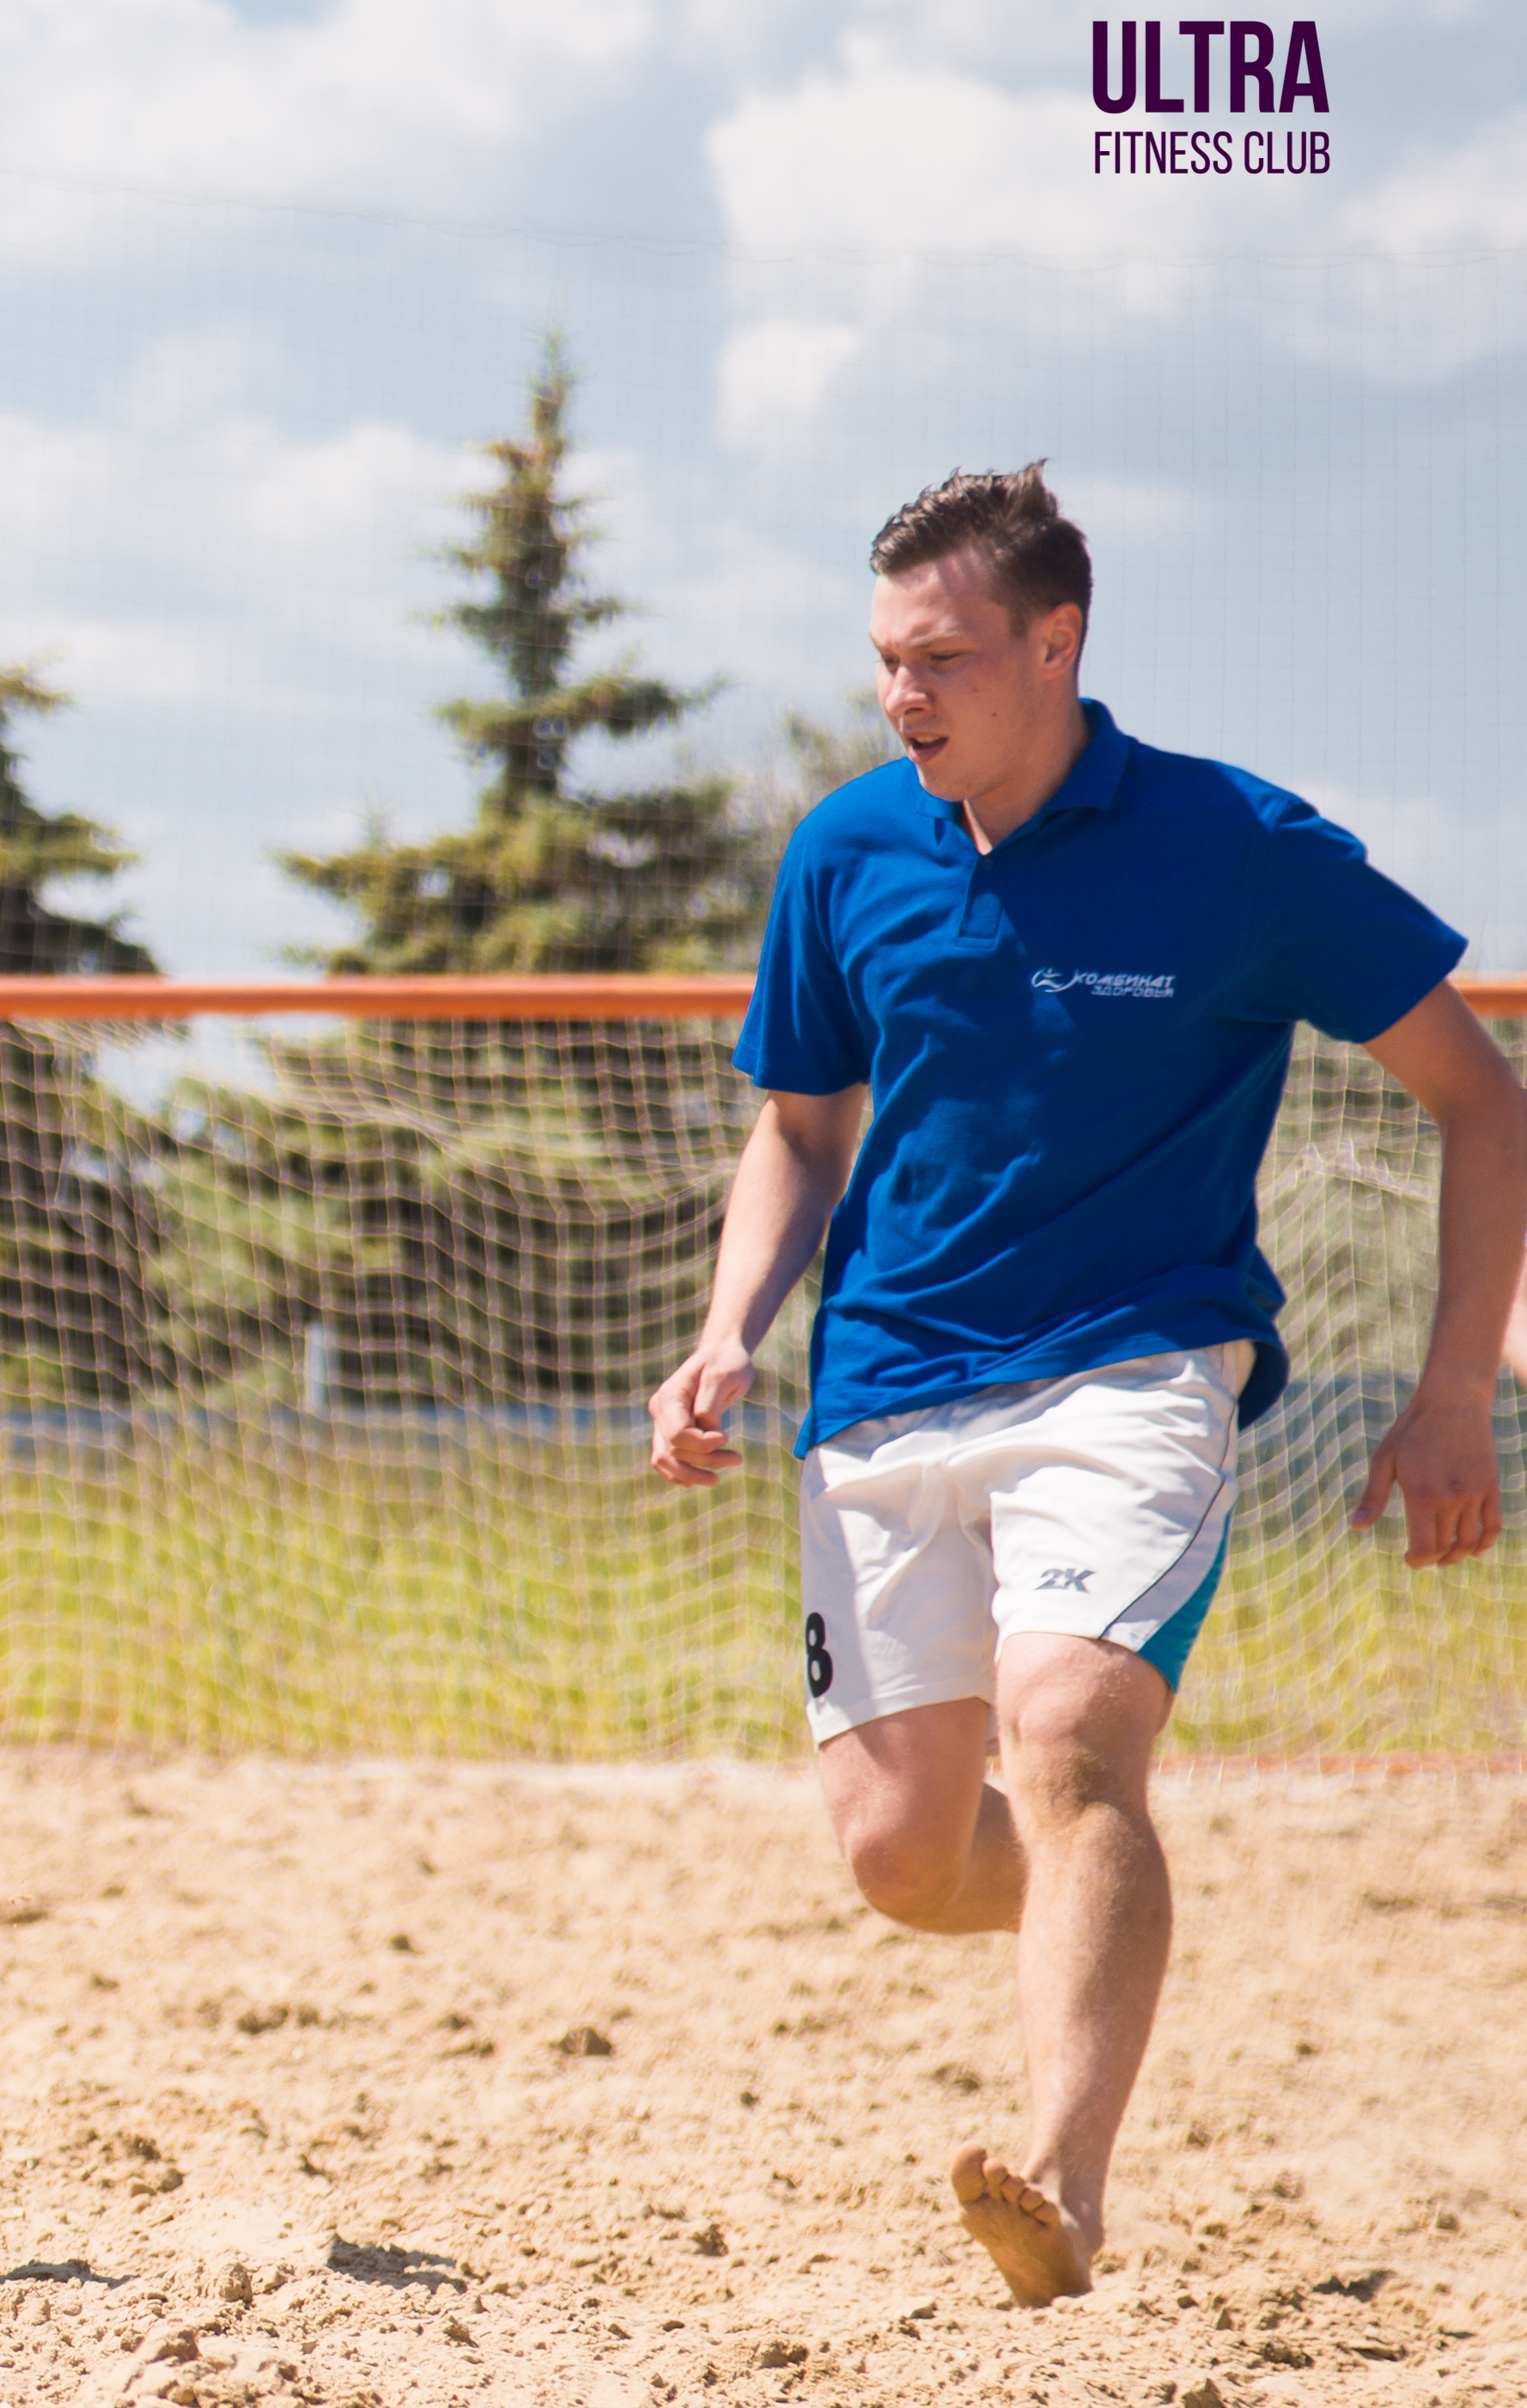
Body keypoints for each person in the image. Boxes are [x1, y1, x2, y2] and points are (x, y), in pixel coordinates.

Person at [648, 464, 1523, 2307]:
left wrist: (1452, 1389)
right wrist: (730, 1321)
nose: (902, 696)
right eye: (884, 659)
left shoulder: (1238, 848)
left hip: (1134, 1368)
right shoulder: (844, 852)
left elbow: (1477, 1100)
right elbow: (798, 1132)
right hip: (880, 1389)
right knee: (900, 1854)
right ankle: (1087, 1889)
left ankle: (1058, 2179)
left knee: (1065, 1737)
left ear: (1055, 642)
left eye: (941, 656)